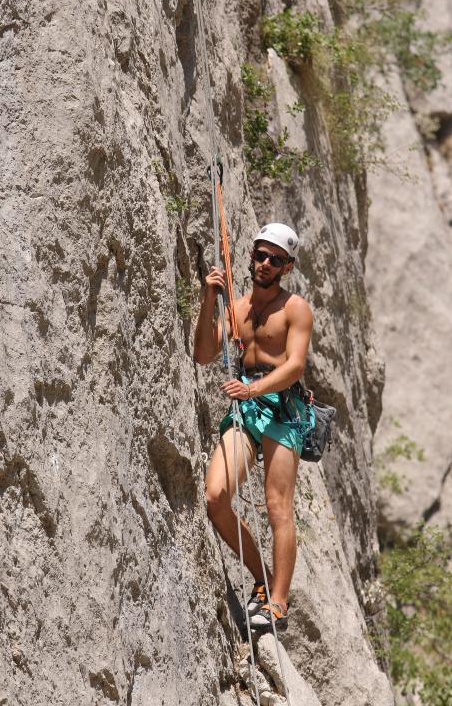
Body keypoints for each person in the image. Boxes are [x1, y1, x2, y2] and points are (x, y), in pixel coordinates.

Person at [193, 223, 313, 632]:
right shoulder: (238, 308)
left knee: (278, 506)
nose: (264, 263)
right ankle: (262, 578)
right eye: (260, 255)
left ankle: (277, 604)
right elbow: (204, 353)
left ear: (287, 267)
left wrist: (254, 388)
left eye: (274, 259)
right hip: (248, 407)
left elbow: (295, 365)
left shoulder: (295, 308)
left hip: (282, 407)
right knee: (215, 496)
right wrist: (210, 297)